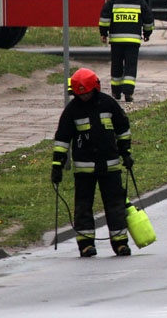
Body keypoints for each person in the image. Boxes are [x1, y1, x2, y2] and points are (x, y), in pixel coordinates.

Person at [51, 68, 134, 257]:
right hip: (84, 170)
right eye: (80, 94)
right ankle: (86, 244)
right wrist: (57, 166)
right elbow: (62, 139)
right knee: (83, 206)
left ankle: (120, 243)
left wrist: (126, 153)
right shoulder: (72, 111)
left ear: (94, 89)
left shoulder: (108, 104)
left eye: (87, 93)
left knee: (115, 206)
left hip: (110, 166)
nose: (84, 97)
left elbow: (123, 129)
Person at [99, 0, 154, 102]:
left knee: (116, 65)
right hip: (133, 42)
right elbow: (148, 20)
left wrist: (103, 33)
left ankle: (116, 93)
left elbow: (104, 18)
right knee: (130, 66)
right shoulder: (139, 2)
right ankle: (128, 93)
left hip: (116, 41)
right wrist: (147, 33)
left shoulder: (113, 1)